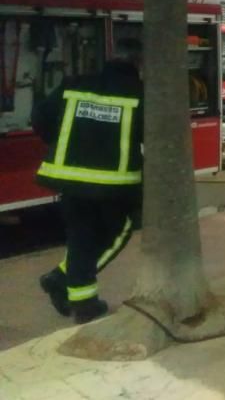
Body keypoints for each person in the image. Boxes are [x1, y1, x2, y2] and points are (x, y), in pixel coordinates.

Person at [33, 37, 144, 324]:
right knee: (118, 232)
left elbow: (40, 118)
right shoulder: (140, 93)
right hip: (115, 185)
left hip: (69, 180)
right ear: (138, 65)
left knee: (81, 237)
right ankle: (63, 282)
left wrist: (63, 147)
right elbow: (153, 138)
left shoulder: (75, 83)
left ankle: (82, 301)